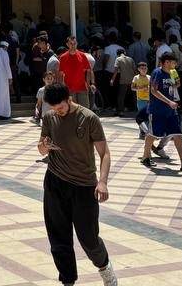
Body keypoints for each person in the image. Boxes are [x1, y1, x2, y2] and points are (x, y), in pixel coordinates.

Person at [37, 83, 118, 286]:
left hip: (83, 186)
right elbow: (40, 149)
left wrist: (103, 182)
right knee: (58, 237)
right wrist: (45, 146)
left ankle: (105, 268)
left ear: (69, 99)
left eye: (60, 108)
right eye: (54, 109)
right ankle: (68, 281)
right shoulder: (49, 117)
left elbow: (104, 153)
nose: (58, 112)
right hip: (55, 183)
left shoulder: (89, 118)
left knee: (89, 239)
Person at [141, 54, 182, 172]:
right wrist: (169, 102)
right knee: (153, 134)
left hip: (171, 111)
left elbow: (175, 85)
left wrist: (175, 85)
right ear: (166, 62)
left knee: (177, 135)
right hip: (158, 110)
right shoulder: (157, 73)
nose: (175, 65)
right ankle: (146, 156)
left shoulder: (172, 73)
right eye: (173, 62)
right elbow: (153, 91)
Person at [58, 38, 93, 108]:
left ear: (77, 44)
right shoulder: (63, 57)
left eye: (75, 43)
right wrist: (62, 88)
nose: (73, 45)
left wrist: (88, 84)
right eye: (71, 44)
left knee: (85, 110)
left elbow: (89, 70)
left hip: (82, 88)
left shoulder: (82, 55)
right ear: (67, 45)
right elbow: (60, 74)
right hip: (69, 89)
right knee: (72, 111)